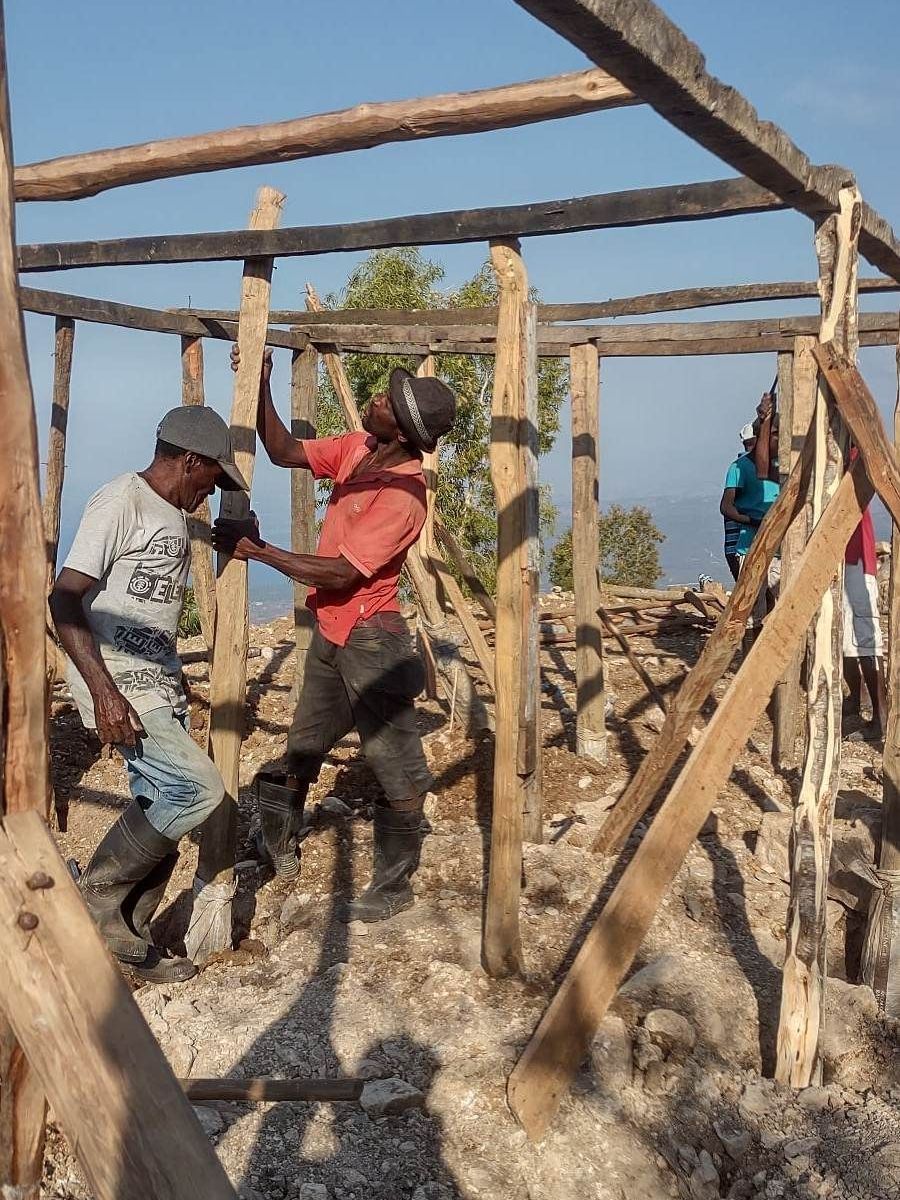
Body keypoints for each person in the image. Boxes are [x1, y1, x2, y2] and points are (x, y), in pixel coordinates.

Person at [213, 348, 456, 923]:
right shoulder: (360, 448)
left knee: (394, 764)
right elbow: (284, 450)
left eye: (386, 402)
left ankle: (394, 884)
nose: (375, 399)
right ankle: (277, 846)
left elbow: (344, 572)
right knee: (303, 746)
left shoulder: (403, 497)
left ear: (403, 431)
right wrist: (261, 384)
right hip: (332, 629)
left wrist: (258, 550)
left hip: (372, 640)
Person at [50, 407, 248, 981]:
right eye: (212, 476)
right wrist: (104, 692)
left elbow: (150, 608)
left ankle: (127, 945)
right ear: (189, 461)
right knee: (196, 789)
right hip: (119, 681)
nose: (212, 490)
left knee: (161, 802)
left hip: (156, 682)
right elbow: (64, 598)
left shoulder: (173, 514)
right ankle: (94, 898)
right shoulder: (121, 502)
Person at [843, 479, 886, 740]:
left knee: (866, 638)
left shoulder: (853, 462)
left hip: (856, 559)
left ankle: (881, 718)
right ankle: (856, 699)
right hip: (843, 558)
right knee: (845, 638)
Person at [722, 422, 757, 580]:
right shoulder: (742, 469)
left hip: (736, 549)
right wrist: (754, 521)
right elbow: (727, 507)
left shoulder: (737, 468)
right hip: (743, 548)